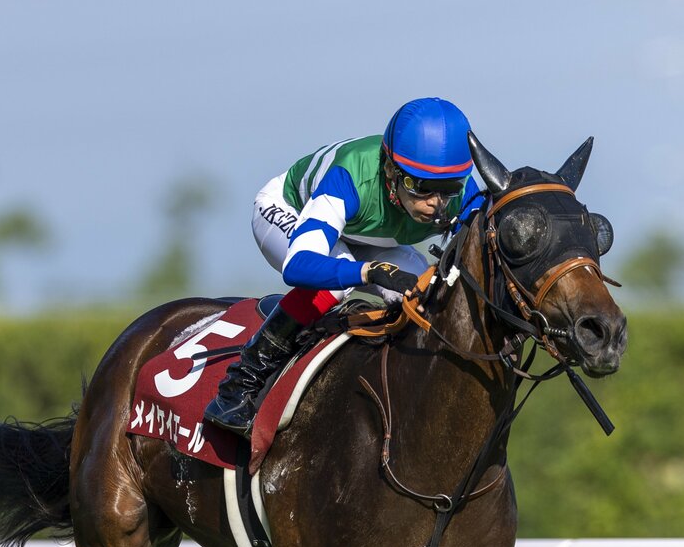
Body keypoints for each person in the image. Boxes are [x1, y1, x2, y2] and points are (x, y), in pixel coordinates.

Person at [204, 97, 482, 437]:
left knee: (422, 279)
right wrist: (366, 272)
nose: (435, 203)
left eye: (448, 190)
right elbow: (298, 266)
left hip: (366, 234)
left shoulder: (459, 189)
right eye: (420, 187)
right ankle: (239, 385)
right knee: (337, 280)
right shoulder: (350, 176)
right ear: (391, 171)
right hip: (289, 212)